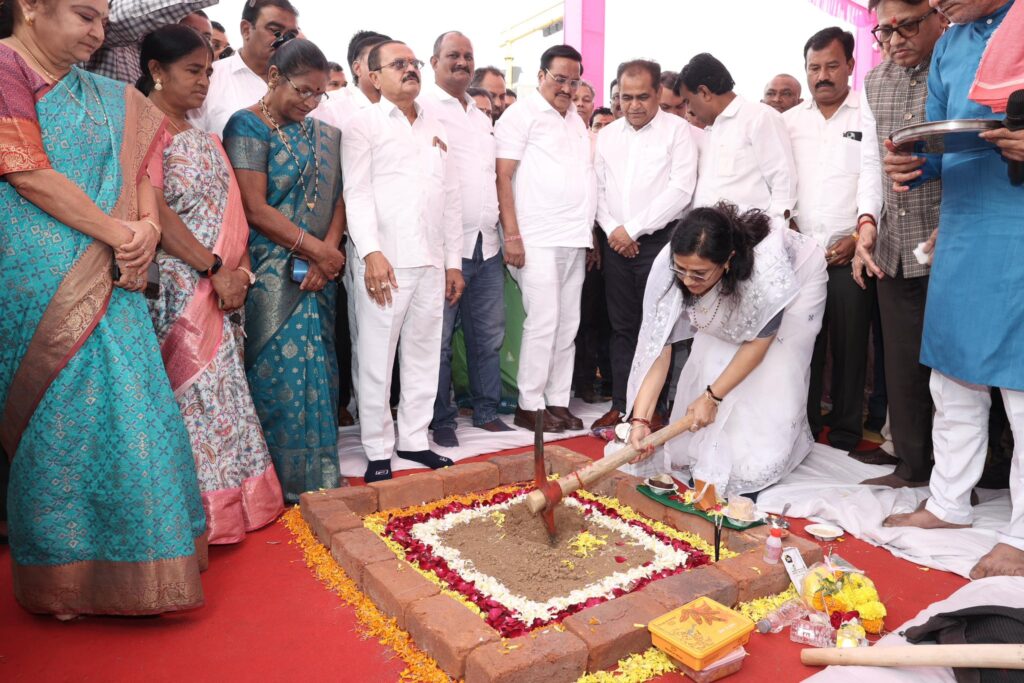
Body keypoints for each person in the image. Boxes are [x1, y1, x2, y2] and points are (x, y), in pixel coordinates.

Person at [0, 0, 206, 616]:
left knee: (136, 414)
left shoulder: (112, 96)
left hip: (115, 278)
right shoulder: (5, 67)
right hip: (41, 282)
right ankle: (63, 581)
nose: (98, 31)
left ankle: (146, 569)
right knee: (60, 422)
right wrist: (120, 235)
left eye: (103, 19)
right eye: (84, 15)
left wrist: (145, 231)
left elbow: (137, 168)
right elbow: (26, 171)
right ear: (30, 7)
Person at [883, 0, 1024, 579]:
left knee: (1021, 388)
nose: (939, 1)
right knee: (953, 378)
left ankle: (1022, 534)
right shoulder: (949, 45)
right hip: (963, 228)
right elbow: (943, 140)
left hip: (1017, 228)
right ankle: (948, 503)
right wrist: (913, 164)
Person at [139, 25, 284, 538]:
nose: (204, 81)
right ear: (156, 71)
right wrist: (212, 269)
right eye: (192, 71)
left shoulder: (201, 133)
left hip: (223, 284)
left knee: (225, 398)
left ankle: (240, 507)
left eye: (207, 71)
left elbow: (233, 211)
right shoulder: (142, 129)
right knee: (193, 400)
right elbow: (155, 212)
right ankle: (199, 517)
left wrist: (239, 270)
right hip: (179, 289)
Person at [627, 203, 827, 496]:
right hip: (736, 285)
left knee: (776, 365)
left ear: (728, 261)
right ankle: (709, 454)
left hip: (799, 279)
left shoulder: (766, 275)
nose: (687, 280)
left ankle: (756, 462)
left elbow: (757, 345)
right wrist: (640, 421)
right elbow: (659, 346)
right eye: (681, 270)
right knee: (713, 350)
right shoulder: (672, 265)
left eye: (699, 274)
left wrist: (711, 397)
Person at [223, 37, 345, 502]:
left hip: (318, 273)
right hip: (271, 271)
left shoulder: (324, 134)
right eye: (303, 90)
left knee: (320, 370)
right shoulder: (247, 126)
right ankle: (276, 484)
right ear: (274, 77)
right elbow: (254, 208)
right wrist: (315, 251)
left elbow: (338, 197)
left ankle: (320, 476)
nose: (311, 103)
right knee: (278, 375)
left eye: (319, 94)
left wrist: (327, 253)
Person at [343, 40, 462, 482]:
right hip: (384, 262)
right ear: (374, 77)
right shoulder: (363, 124)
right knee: (376, 357)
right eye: (398, 64)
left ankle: (413, 439)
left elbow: (450, 199)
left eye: (413, 63)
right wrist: (371, 252)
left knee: (424, 355)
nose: (410, 69)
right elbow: (356, 193)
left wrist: (453, 263)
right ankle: (377, 448)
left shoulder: (437, 125)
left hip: (430, 260)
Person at [852, 0, 947, 486]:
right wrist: (867, 221)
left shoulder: (955, 68)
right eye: (884, 32)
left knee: (954, 369)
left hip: (948, 238)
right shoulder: (875, 80)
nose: (893, 41)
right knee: (902, 361)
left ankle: (961, 477)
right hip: (893, 242)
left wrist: (954, 220)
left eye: (906, 27)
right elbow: (872, 161)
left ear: (937, 17)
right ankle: (912, 466)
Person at [592, 60, 698, 429]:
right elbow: (597, 190)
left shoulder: (678, 131)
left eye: (642, 97)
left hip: (660, 243)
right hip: (616, 243)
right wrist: (614, 231)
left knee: (658, 329)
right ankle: (621, 406)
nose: (633, 105)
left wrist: (633, 230)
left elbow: (681, 190)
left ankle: (651, 409)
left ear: (657, 94)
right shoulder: (607, 135)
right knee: (622, 327)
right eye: (626, 97)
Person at [496, 44, 595, 433]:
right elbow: (503, 175)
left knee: (568, 324)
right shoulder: (520, 115)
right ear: (541, 76)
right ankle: (529, 404)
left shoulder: (576, 121)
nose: (568, 88)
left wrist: (589, 235)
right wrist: (512, 235)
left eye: (575, 81)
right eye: (560, 79)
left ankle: (557, 400)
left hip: (574, 237)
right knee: (544, 321)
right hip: (535, 236)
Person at [785, 27, 873, 454]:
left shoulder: (867, 114)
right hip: (800, 255)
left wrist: (858, 236)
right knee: (802, 344)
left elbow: (875, 180)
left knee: (851, 345)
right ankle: (801, 425)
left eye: (832, 66)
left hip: (849, 253)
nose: (822, 76)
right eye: (814, 67)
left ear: (851, 66)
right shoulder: (789, 123)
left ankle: (844, 433)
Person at [422, 31, 511, 447]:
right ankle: (441, 419)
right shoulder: (423, 108)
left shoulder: (479, 115)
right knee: (438, 341)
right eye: (453, 55)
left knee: (488, 337)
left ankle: (487, 410)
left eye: (468, 56)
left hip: (486, 243)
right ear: (434, 62)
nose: (462, 62)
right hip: (446, 248)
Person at [676, 53, 797, 222]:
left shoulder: (759, 116)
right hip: (707, 233)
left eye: (688, 101)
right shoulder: (710, 130)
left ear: (704, 92)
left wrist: (776, 229)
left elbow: (783, 179)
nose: (689, 109)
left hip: (749, 233)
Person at [189, 0, 300, 137]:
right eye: (275, 30)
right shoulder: (210, 79)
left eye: (291, 35)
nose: (284, 40)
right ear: (246, 30)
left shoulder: (303, 85)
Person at [85, 0, 215, 83]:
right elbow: (122, 21)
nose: (199, 43)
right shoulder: (112, 27)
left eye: (207, 37)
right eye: (190, 32)